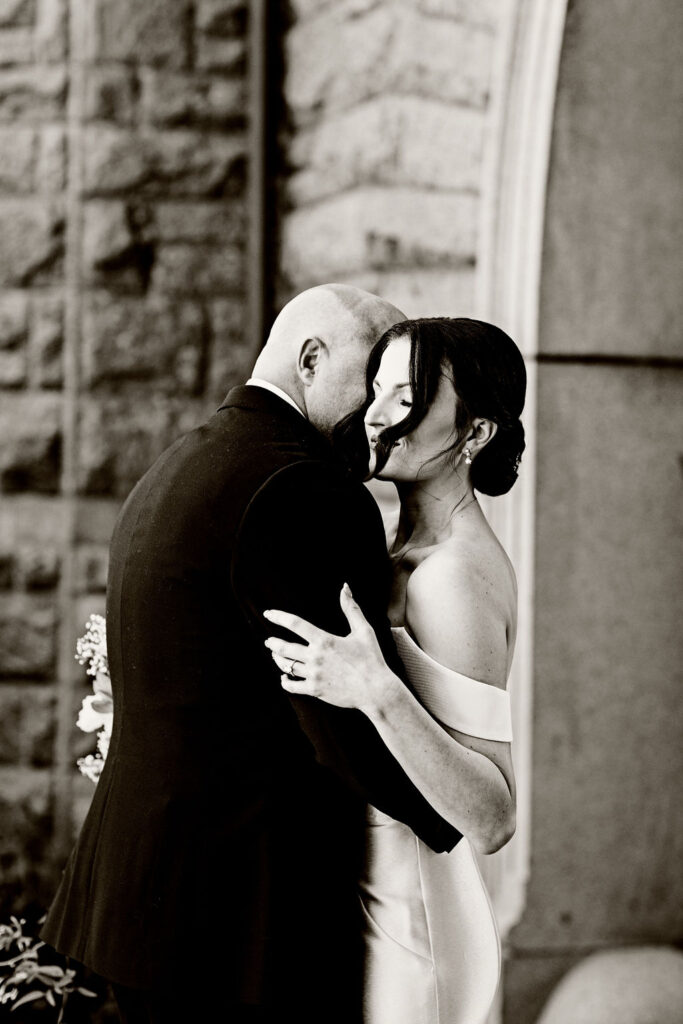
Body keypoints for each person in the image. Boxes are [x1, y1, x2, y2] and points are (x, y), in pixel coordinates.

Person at [41, 286, 460, 1024]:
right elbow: (339, 719)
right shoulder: (305, 489)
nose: (383, 413)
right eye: (376, 381)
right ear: (309, 359)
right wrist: (458, 817)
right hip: (237, 926)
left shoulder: (180, 462)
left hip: (144, 905)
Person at [263, 317, 525, 1024]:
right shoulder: (399, 545)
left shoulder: (453, 579)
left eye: (404, 395)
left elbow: (492, 814)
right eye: (376, 388)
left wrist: (373, 689)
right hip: (359, 889)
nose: (376, 413)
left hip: (412, 919)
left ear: (475, 435)